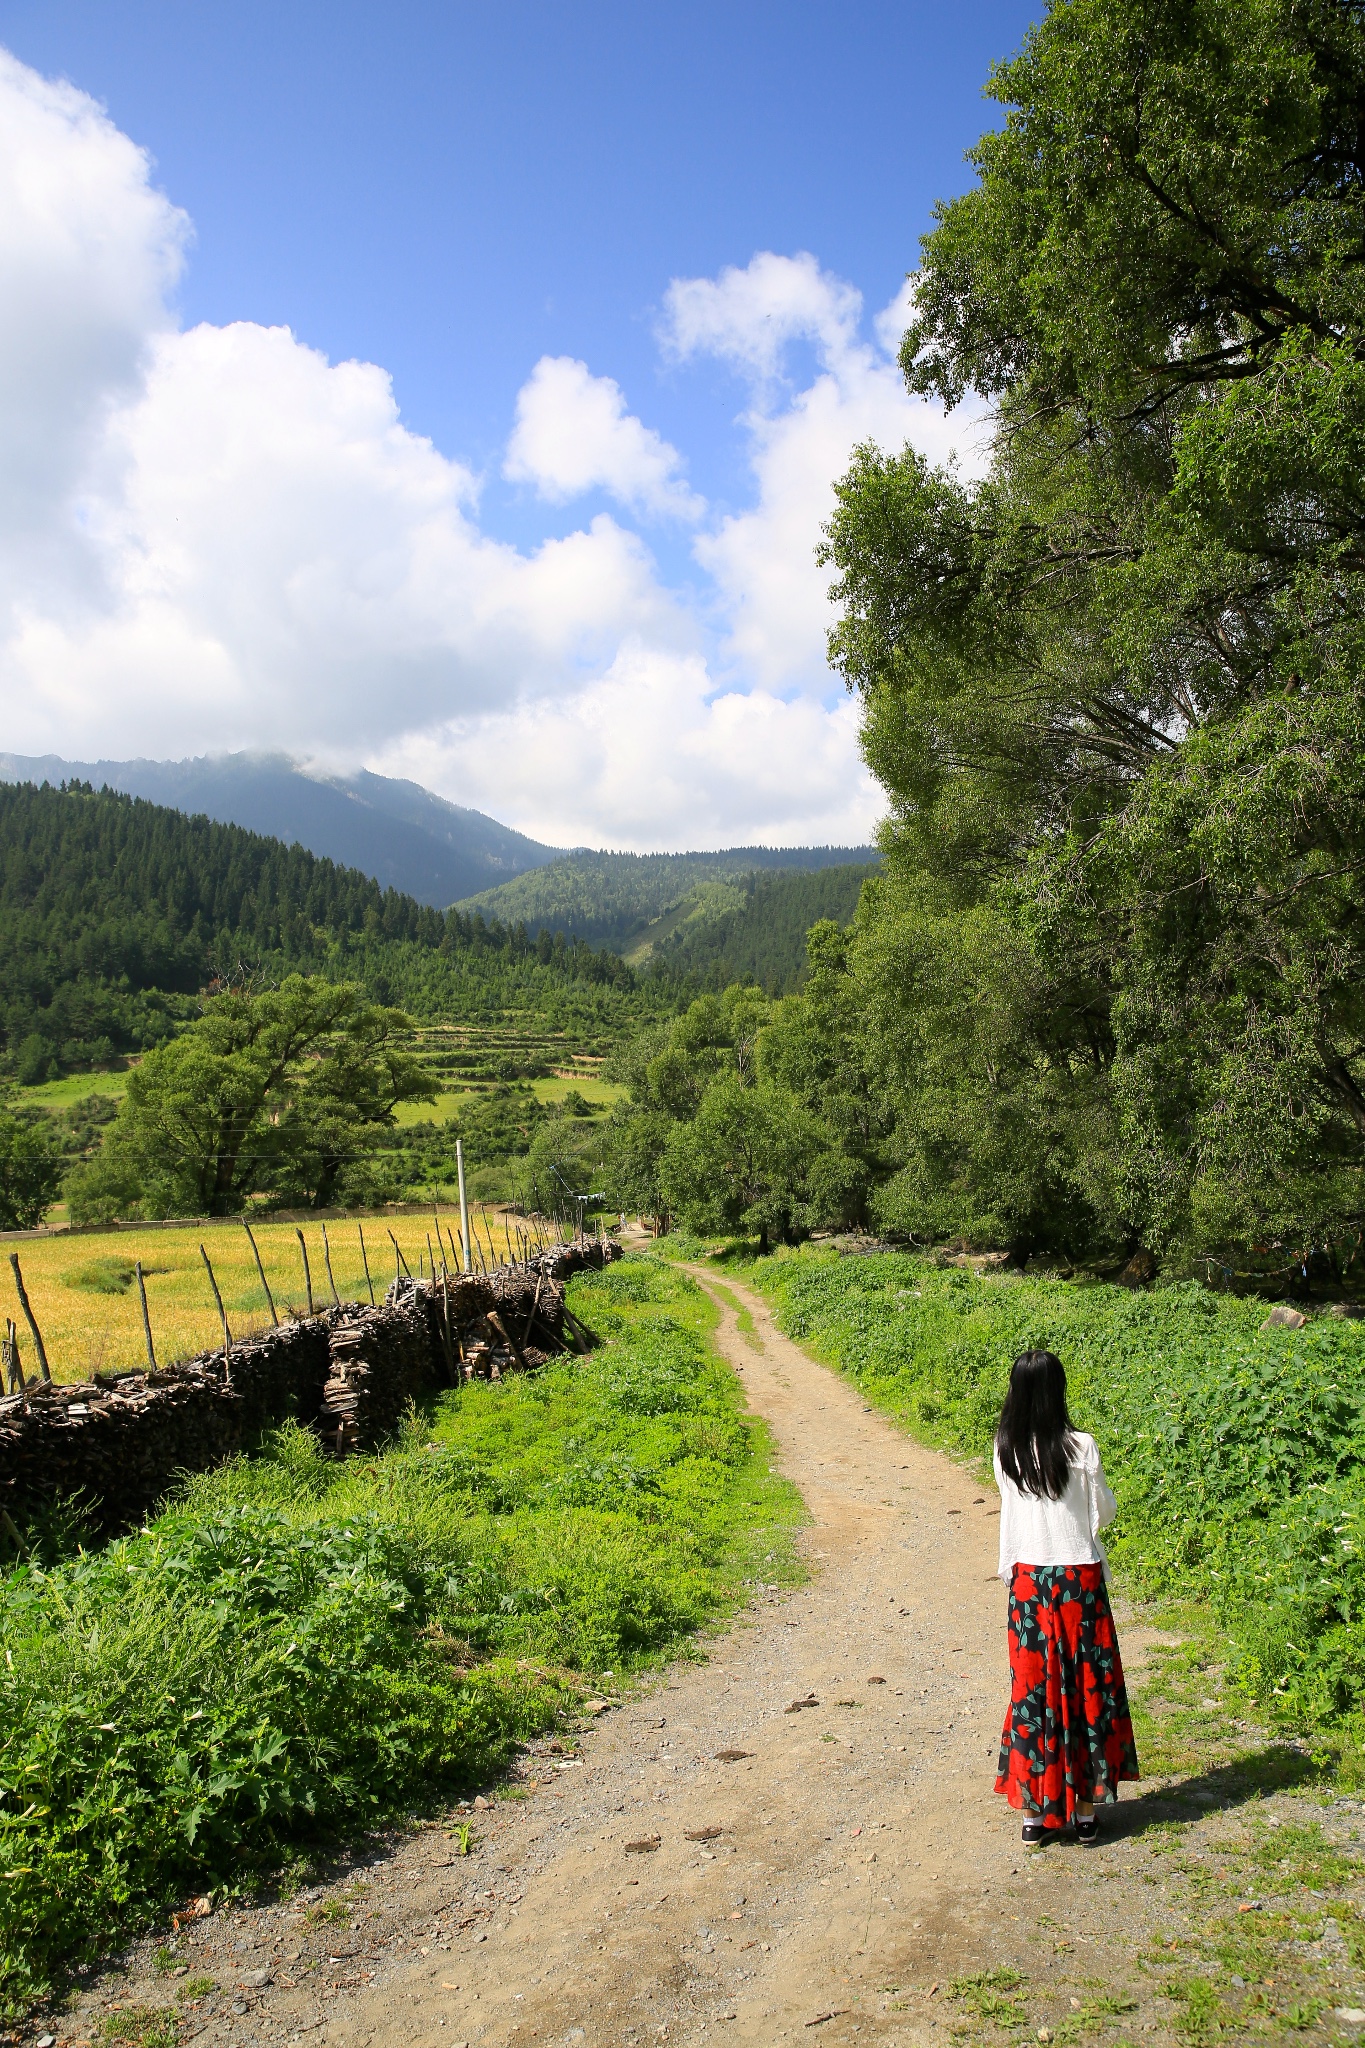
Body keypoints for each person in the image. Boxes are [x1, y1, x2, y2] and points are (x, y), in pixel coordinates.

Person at [992, 1348, 1139, 1845]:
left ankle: (1034, 1813)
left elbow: (1011, 1510)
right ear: (1058, 1390)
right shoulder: (1082, 1447)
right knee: (1087, 1688)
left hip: (1030, 1581)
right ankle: (1085, 1809)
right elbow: (1104, 1513)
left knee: (1035, 1690)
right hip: (1080, 1580)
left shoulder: (1005, 1448)